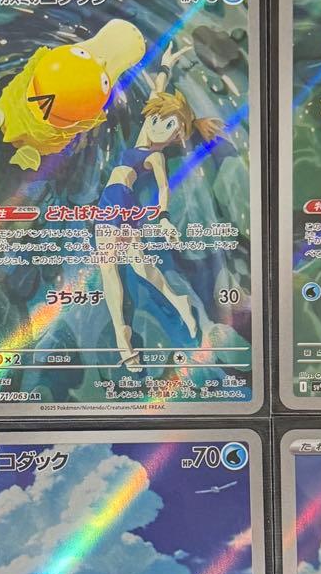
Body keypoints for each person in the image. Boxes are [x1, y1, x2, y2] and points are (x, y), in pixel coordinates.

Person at [95, 42, 224, 371]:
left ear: (177, 136)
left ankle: (125, 337)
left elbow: (164, 188)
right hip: (115, 205)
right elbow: (157, 93)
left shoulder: (155, 156)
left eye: (171, 127)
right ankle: (172, 306)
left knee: (119, 270)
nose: (159, 126)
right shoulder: (143, 138)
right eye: (159, 119)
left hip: (119, 204)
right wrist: (166, 65)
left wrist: (163, 218)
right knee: (130, 270)